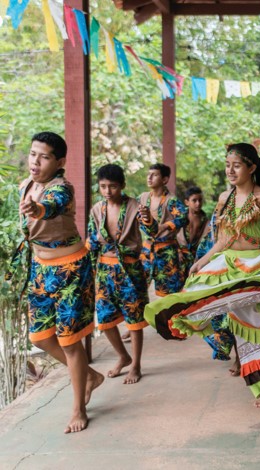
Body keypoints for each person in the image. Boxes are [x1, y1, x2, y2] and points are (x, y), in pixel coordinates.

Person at [144, 142, 260, 418]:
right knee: (241, 331)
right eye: (227, 164)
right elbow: (222, 239)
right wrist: (203, 260)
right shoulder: (224, 198)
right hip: (227, 265)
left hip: (256, 266)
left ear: (252, 168)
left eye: (237, 165)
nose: (230, 170)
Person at [10, 132, 104, 433]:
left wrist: (37, 210)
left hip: (71, 270)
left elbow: (50, 205)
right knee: (39, 337)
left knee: (69, 340)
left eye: (45, 156)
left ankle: (78, 409)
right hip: (41, 268)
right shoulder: (25, 185)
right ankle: (89, 376)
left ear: (59, 161)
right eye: (33, 153)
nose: (35, 161)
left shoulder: (61, 187)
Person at [87, 164, 156, 384]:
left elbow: (152, 232)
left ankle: (135, 364)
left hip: (130, 270)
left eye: (113, 187)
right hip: (105, 271)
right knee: (105, 320)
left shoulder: (136, 206)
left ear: (122, 186)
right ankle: (123, 356)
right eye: (103, 186)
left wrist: (147, 219)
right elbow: (92, 241)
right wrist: (87, 272)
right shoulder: (97, 209)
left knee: (134, 321)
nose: (108, 191)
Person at [138, 163, 188, 297]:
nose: (149, 178)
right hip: (147, 249)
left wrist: (166, 225)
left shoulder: (171, 200)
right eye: (148, 174)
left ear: (165, 180)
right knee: (138, 288)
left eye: (154, 175)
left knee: (170, 293)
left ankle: (170, 317)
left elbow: (184, 217)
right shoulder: (143, 198)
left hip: (167, 250)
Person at [177, 186, 210, 279]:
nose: (198, 203)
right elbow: (170, 235)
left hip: (195, 259)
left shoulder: (205, 221)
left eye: (200, 200)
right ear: (187, 202)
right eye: (194, 200)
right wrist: (178, 251)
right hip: (179, 257)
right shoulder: (179, 217)